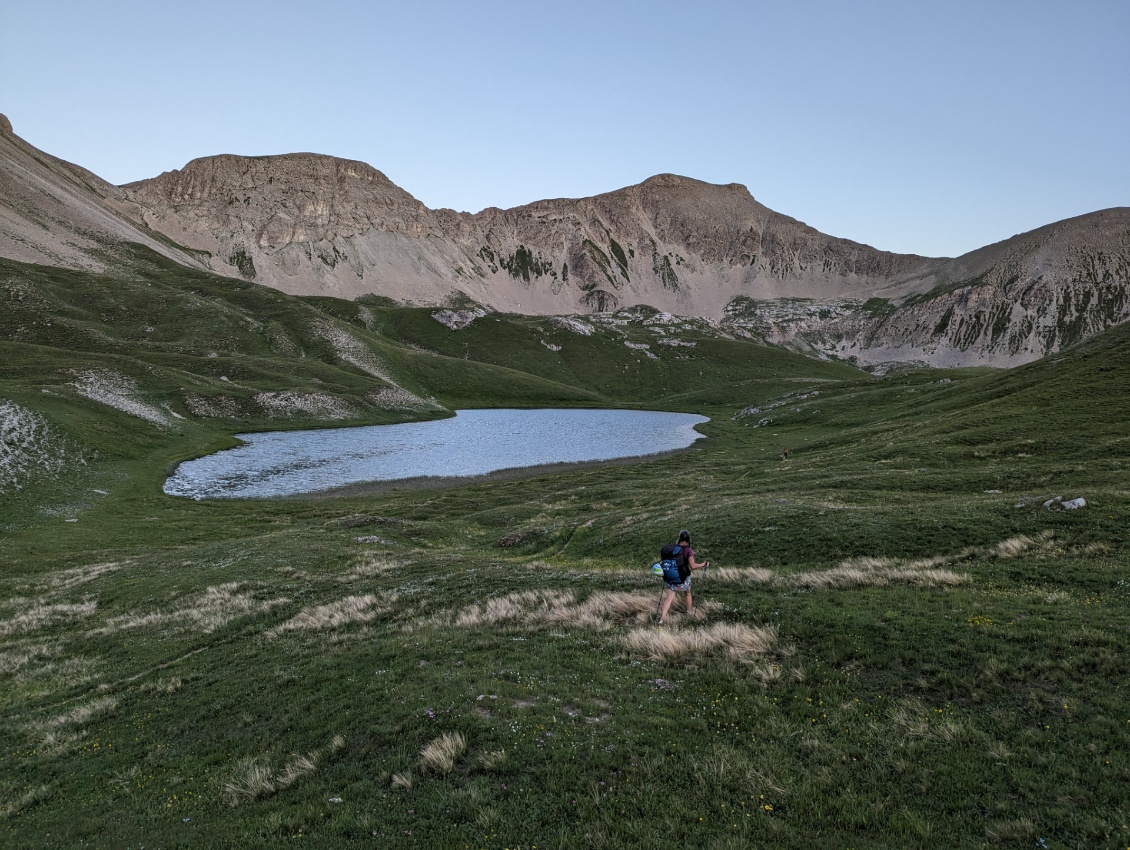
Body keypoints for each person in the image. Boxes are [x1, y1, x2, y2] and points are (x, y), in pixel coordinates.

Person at [658, 529, 709, 625]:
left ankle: (662, 620)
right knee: (688, 593)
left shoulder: (674, 549)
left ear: (680, 538)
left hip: (671, 577)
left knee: (669, 598)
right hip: (683, 577)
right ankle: (689, 614)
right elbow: (693, 566)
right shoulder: (688, 550)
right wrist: (703, 564)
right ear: (688, 539)